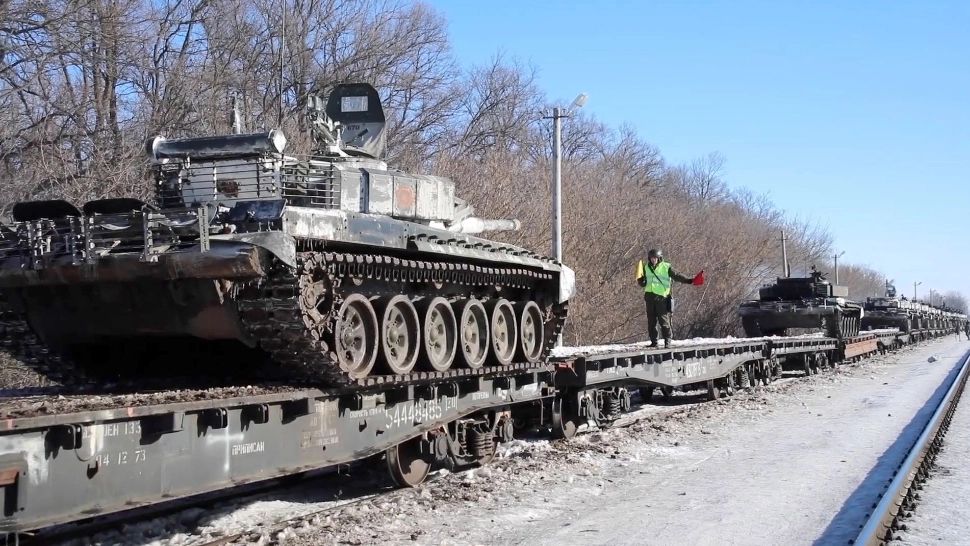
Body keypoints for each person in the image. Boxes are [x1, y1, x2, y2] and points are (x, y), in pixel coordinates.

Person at [635, 249, 704, 348]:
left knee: (663, 321)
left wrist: (690, 280)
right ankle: (654, 342)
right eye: (651, 258)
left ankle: (667, 341)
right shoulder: (646, 267)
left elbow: (677, 276)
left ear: (659, 258)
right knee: (651, 322)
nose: (653, 260)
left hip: (661, 298)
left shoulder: (666, 267)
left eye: (654, 258)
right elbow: (643, 282)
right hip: (649, 297)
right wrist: (640, 280)